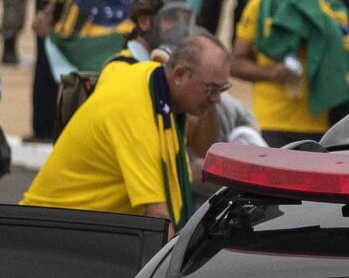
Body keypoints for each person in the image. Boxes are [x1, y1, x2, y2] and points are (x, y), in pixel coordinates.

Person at [22, 35, 229, 226]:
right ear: (179, 75)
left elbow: (201, 152)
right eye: (210, 89)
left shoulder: (155, 86)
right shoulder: (137, 110)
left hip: (89, 230)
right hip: (47, 229)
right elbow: (158, 218)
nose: (217, 99)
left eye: (222, 89)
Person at [233, 0, 349, 146]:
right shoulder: (261, 5)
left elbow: (340, 57)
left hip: (322, 125)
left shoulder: (332, 7)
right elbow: (236, 63)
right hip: (272, 122)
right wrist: (272, 74)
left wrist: (315, 17)